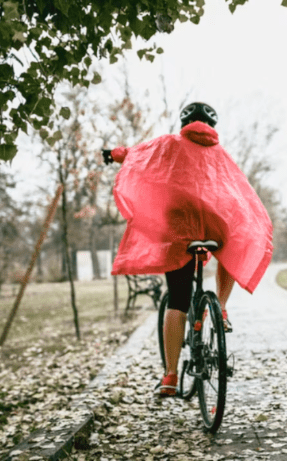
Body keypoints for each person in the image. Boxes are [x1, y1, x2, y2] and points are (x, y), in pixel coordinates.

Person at [104, 102, 273, 395]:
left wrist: (113, 154)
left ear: (185, 123)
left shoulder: (169, 144)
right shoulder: (221, 156)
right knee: (231, 247)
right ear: (211, 127)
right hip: (215, 227)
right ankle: (219, 307)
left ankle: (170, 377)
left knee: (178, 300)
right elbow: (238, 191)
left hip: (180, 229)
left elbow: (136, 156)